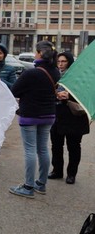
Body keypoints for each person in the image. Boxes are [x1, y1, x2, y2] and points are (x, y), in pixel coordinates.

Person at [9, 40, 60, 198]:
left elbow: (15, 90)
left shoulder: (32, 72)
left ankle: (28, 186)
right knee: (43, 149)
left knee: (30, 151)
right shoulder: (55, 72)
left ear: (40, 53)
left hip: (30, 115)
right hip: (49, 115)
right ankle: (41, 184)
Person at [48, 51, 90, 184]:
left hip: (74, 117)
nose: (60, 64)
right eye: (58, 61)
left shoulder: (78, 77)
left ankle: (71, 174)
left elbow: (86, 94)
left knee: (73, 146)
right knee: (56, 145)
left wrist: (69, 96)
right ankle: (57, 170)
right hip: (57, 115)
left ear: (70, 62)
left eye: (64, 61)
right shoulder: (54, 75)